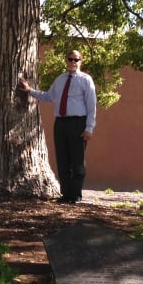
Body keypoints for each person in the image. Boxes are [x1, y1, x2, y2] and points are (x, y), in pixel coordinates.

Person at [18, 50, 97, 203]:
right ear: (66, 61)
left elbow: (91, 105)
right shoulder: (60, 79)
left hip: (78, 123)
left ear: (81, 61)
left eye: (76, 59)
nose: (73, 62)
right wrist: (29, 90)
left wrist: (89, 128)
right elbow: (48, 96)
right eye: (70, 59)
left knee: (77, 161)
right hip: (60, 123)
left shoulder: (86, 80)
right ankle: (66, 194)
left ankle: (75, 195)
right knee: (63, 159)